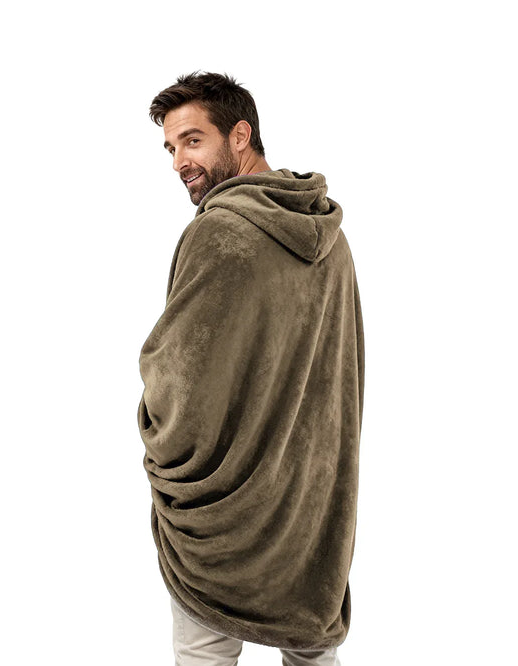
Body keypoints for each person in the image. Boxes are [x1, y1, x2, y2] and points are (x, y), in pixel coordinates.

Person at [137, 71, 365, 666]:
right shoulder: (329, 236)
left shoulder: (220, 230)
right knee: (312, 653)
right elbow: (345, 375)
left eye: (192, 140)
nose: (179, 162)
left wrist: (163, 452)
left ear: (240, 136)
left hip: (222, 511)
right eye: (170, 147)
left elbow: (176, 374)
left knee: (204, 654)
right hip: (312, 506)